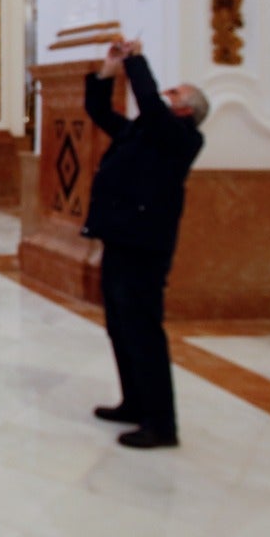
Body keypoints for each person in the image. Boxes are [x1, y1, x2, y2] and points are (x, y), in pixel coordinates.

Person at [81, 39, 207, 449]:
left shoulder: (181, 137)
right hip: (121, 236)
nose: (164, 95)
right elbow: (100, 111)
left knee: (143, 329)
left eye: (174, 93)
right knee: (119, 324)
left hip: (145, 244)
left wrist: (136, 60)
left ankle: (161, 424)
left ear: (185, 109)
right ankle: (134, 403)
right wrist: (108, 70)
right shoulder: (145, 131)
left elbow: (150, 104)